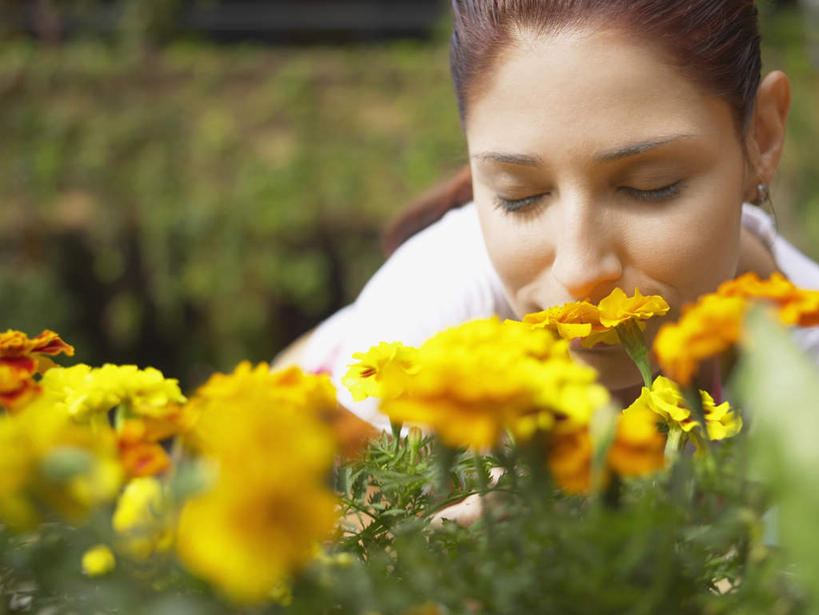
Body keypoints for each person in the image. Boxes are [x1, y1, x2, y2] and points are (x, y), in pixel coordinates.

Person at [283, 0, 819, 431]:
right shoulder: (429, 325)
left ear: (762, 135)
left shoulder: (804, 351)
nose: (581, 270)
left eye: (648, 188)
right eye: (520, 196)